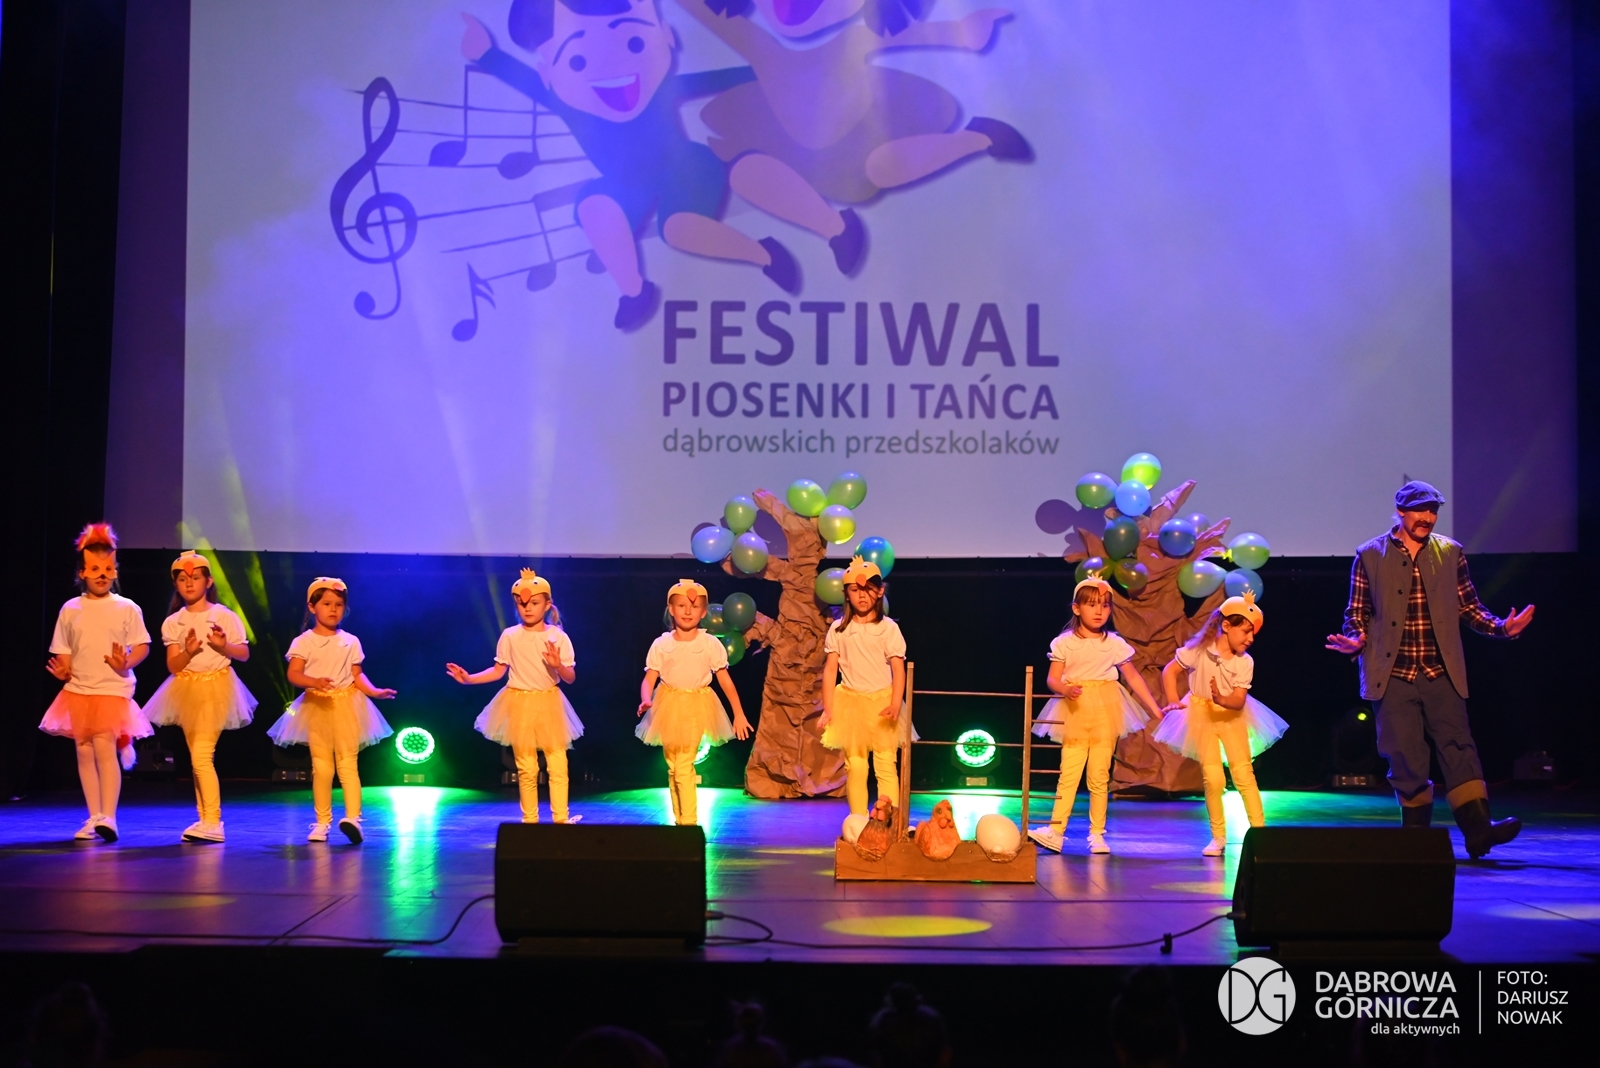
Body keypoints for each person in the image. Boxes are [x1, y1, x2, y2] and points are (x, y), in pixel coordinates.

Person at [461, 0, 804, 332]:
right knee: (594, 206)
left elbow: (716, 79)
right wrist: (486, 54)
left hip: (685, 169)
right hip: (625, 184)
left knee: (680, 229)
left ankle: (765, 254)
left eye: (635, 43)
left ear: (665, 37)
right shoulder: (566, 100)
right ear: (549, 74)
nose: (609, 66)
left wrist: (770, 71)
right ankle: (635, 292)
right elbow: (522, 80)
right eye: (578, 60)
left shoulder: (662, 87)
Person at [1325, 480, 1534, 858]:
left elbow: (1469, 608)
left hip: (1441, 672)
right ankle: (1416, 838)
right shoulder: (1369, 555)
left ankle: (1479, 831)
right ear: (1401, 512)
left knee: (1459, 747)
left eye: (1433, 511)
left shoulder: (1450, 552)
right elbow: (1356, 613)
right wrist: (1355, 639)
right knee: (1404, 753)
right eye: (1420, 510)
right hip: (1392, 674)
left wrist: (1502, 628)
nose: (1427, 517)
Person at [681, 0, 1030, 208]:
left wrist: (965, 32)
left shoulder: (854, 37)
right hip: (805, 151)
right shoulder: (761, 47)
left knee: (881, 167)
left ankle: (978, 138)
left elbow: (906, 35)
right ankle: (833, 229)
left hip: (864, 130)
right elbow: (704, 12)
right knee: (754, 174)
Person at [1027, 577, 1164, 856]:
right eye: (1092, 605)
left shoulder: (1114, 644)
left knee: (1099, 775)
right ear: (1077, 609)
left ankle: (1098, 834)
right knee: (1069, 773)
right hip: (1075, 710)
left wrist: (1155, 708)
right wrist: (1065, 689)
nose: (1099, 611)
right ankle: (1056, 831)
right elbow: (1053, 678)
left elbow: (1133, 678)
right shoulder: (1065, 643)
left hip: (1106, 709)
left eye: (1105, 605)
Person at [40, 524, 152, 843]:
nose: (101, 575)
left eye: (107, 569)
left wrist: (126, 663)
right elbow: (64, 649)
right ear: (83, 573)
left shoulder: (127, 608)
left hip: (111, 690)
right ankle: (93, 817)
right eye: (94, 569)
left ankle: (109, 817)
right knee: (84, 751)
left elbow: (142, 645)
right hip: (78, 691)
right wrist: (64, 670)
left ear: (115, 571)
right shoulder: (70, 609)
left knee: (104, 748)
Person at [1155, 590, 1287, 856]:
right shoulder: (1198, 651)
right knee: (1213, 779)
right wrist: (1174, 700)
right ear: (1226, 626)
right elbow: (1170, 671)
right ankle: (1218, 837)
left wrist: (1221, 699)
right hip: (1201, 717)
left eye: (1253, 633)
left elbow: (1238, 701)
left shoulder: (1244, 662)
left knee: (1243, 774)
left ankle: (1260, 833)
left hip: (1231, 718)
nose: (1250, 639)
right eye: (1246, 631)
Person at [448, 568, 583, 824]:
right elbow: (498, 670)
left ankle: (560, 819)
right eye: (522, 603)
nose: (527, 608)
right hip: (519, 702)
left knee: (557, 764)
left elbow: (570, 677)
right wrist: (469, 678)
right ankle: (529, 821)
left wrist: (557, 666)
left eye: (534, 603)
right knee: (526, 767)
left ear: (547, 605)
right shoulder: (510, 635)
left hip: (549, 702)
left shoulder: (557, 637)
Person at [266, 578, 395, 843]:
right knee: (322, 768)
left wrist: (374, 691)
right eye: (326, 604)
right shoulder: (304, 641)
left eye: (338, 604)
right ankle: (322, 822)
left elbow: (357, 675)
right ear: (312, 607)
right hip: (317, 706)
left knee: (348, 765)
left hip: (347, 705)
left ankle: (353, 819)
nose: (333, 609)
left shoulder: (350, 641)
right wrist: (314, 681)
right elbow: (294, 674)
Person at [141, 551, 257, 843]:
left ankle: (214, 822)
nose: (189, 583)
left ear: (208, 581)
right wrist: (189, 652)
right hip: (187, 689)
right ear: (176, 585)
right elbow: (173, 666)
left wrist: (223, 646)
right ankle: (204, 818)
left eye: (195, 577)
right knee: (198, 757)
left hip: (217, 687)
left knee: (201, 756)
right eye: (182, 579)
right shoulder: (174, 622)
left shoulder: (224, 616)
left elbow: (244, 653)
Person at [638, 579, 753, 825]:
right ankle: (679, 821)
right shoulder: (662, 644)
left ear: (703, 612)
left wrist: (739, 713)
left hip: (696, 706)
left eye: (694, 606)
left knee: (683, 764)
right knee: (673, 766)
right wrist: (646, 699)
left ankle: (689, 823)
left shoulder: (709, 643)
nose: (688, 611)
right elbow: (649, 679)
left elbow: (725, 681)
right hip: (668, 705)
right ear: (671, 609)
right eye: (681, 606)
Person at [818, 557, 907, 817]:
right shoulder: (838, 629)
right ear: (846, 594)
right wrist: (828, 708)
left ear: (879, 592)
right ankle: (858, 820)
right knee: (855, 767)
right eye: (855, 590)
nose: (862, 595)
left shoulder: (888, 629)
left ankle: (888, 820)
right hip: (851, 704)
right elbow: (830, 670)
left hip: (882, 705)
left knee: (885, 764)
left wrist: (895, 704)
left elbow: (898, 669)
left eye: (868, 589)